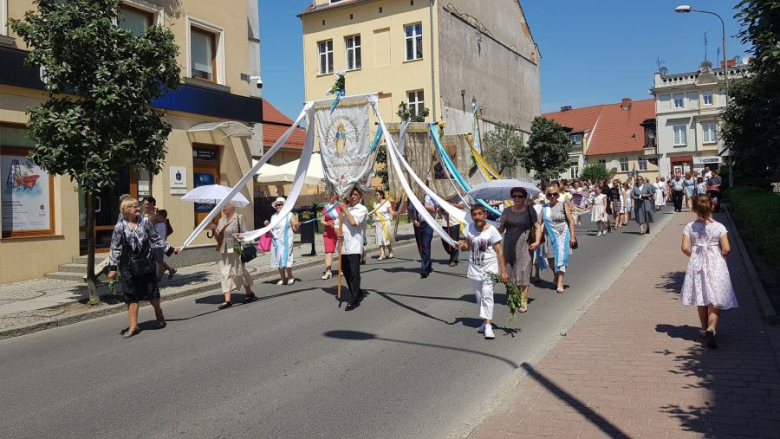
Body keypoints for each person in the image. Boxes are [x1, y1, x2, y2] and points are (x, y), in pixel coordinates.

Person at [108, 197, 180, 338]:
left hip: (145, 262)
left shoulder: (145, 222)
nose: (138, 208)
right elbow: (114, 247)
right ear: (126, 210)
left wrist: (171, 249)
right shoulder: (120, 226)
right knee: (131, 295)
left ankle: (159, 315)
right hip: (127, 265)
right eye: (134, 207)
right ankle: (134, 326)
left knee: (151, 293)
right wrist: (112, 267)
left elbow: (156, 239)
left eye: (137, 206)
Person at [680, 194, 737, 349]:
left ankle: (705, 329)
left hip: (697, 264)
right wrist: (721, 256)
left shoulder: (690, 226)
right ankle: (712, 328)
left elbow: (685, 247)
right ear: (711, 207)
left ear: (694, 210)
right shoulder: (719, 227)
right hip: (715, 263)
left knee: (701, 296)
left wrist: (695, 255)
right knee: (715, 297)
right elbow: (727, 248)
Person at [456, 204, 508, 339]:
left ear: (485, 215)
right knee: (479, 298)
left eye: (480, 214)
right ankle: (484, 323)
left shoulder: (492, 230)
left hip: (489, 269)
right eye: (474, 214)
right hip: (474, 270)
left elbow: (499, 252)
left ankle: (488, 326)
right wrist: (461, 245)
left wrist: (503, 271)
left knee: (487, 295)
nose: (477, 217)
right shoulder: (469, 228)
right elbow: (467, 245)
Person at [498, 188, 542, 313]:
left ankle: (523, 299)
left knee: (524, 270)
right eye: (514, 196)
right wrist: (501, 223)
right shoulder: (506, 211)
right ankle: (516, 294)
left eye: (520, 196)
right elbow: (501, 230)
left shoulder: (530, 210)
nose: (517, 198)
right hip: (509, 244)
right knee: (511, 272)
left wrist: (537, 242)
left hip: (525, 244)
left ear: (524, 197)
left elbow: (537, 227)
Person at [207, 201, 255, 310]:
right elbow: (218, 238)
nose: (224, 208)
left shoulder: (239, 217)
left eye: (226, 206)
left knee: (239, 271)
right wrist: (214, 229)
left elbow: (246, 233)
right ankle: (227, 300)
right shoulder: (221, 220)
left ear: (233, 207)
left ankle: (249, 293)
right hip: (224, 249)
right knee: (225, 273)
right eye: (222, 206)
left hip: (237, 247)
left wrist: (238, 236)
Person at [539, 185, 577, 293]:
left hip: (562, 235)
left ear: (558, 195)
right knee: (550, 258)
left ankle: (560, 282)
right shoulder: (545, 208)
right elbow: (538, 223)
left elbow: (570, 221)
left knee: (561, 257)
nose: (552, 196)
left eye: (554, 194)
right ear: (546, 196)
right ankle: (556, 274)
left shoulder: (563, 205)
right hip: (549, 235)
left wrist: (572, 236)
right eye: (549, 194)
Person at [338, 187, 369, 311]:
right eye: (351, 194)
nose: (353, 196)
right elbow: (336, 224)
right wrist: (337, 233)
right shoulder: (344, 209)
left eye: (355, 194)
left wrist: (345, 209)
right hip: (343, 246)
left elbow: (354, 222)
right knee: (346, 271)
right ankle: (357, 292)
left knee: (354, 272)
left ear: (360, 196)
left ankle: (354, 299)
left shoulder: (362, 209)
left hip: (354, 245)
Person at [265, 197, 299, 286]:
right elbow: (270, 229)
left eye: (279, 204)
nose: (277, 206)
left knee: (287, 257)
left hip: (287, 239)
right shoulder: (273, 216)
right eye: (276, 205)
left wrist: (296, 225)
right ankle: (283, 278)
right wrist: (268, 225)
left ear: (284, 205)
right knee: (278, 258)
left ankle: (290, 276)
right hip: (276, 240)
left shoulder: (290, 214)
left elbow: (295, 228)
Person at [408, 193, 437, 278]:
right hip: (417, 224)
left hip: (428, 224)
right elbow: (409, 210)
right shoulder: (414, 198)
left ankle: (424, 269)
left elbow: (434, 208)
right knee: (420, 247)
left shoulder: (429, 197)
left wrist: (423, 205)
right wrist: (414, 220)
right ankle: (428, 265)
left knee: (426, 245)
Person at [319, 192, 341, 280]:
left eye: (333, 195)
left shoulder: (340, 205)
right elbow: (322, 220)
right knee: (328, 251)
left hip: (339, 232)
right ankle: (328, 271)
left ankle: (342, 268)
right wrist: (327, 223)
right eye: (330, 195)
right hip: (328, 233)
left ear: (337, 196)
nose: (331, 196)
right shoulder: (326, 207)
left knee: (341, 251)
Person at [440, 197, 464, 267]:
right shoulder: (442, 198)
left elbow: (461, 206)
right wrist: (442, 209)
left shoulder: (457, 197)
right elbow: (439, 209)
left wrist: (449, 204)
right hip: (445, 222)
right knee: (444, 240)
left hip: (454, 222)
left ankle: (454, 260)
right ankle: (452, 254)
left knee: (454, 241)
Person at [372, 190, 396, 260]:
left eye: (377, 195)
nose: (376, 196)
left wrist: (394, 213)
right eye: (375, 195)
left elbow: (391, 211)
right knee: (379, 238)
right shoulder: (375, 204)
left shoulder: (386, 202)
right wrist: (373, 220)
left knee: (386, 238)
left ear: (381, 195)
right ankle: (382, 254)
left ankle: (390, 250)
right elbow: (373, 213)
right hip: (378, 223)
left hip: (385, 223)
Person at [153, 209, 176, 280]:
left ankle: (158, 277)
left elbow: (153, 232)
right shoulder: (159, 223)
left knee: (159, 262)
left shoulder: (161, 225)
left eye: (157, 216)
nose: (156, 217)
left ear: (162, 218)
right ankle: (170, 270)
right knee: (158, 260)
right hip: (154, 245)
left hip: (158, 246)